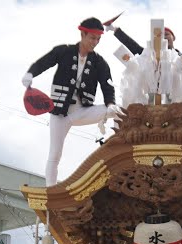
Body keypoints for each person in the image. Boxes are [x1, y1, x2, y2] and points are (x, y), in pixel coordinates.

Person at [24, 18, 119, 186]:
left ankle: (120, 148)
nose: (95, 42)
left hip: (83, 111)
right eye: (92, 38)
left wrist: (110, 103)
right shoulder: (64, 51)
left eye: (98, 39)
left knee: (116, 111)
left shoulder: (99, 62)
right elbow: (45, 62)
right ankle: (51, 192)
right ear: (82, 34)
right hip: (60, 113)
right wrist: (31, 73)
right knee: (55, 154)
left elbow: (107, 85)